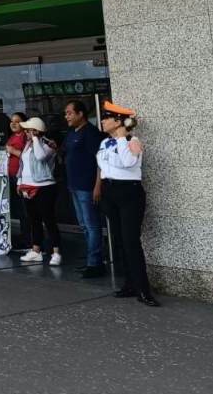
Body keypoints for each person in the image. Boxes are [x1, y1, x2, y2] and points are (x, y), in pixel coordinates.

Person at [97, 101, 157, 307]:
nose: (103, 121)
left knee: (131, 241)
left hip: (129, 192)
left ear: (119, 121)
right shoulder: (105, 143)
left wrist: (122, 137)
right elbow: (103, 167)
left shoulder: (133, 141)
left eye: (107, 118)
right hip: (110, 191)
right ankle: (129, 283)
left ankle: (143, 289)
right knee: (119, 240)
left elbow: (128, 162)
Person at [63, 101, 106, 278]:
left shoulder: (91, 133)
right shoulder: (72, 133)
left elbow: (100, 161)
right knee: (84, 225)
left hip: (87, 186)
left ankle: (95, 263)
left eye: (70, 113)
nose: (67, 117)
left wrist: (97, 185)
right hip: (74, 185)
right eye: (66, 113)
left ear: (81, 114)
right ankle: (91, 259)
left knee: (92, 225)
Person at [18, 117, 61, 266]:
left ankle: (56, 252)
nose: (26, 133)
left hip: (44, 187)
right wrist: (20, 182)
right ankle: (36, 250)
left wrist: (36, 138)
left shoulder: (47, 145)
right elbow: (22, 165)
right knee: (33, 220)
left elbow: (40, 156)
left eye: (28, 130)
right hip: (28, 186)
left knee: (48, 220)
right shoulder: (27, 145)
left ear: (36, 131)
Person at [4, 112, 28, 240]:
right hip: (11, 176)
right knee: (18, 209)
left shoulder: (25, 136)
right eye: (12, 121)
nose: (13, 123)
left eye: (17, 121)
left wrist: (12, 151)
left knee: (24, 209)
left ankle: (28, 239)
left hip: (22, 177)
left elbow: (28, 156)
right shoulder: (13, 136)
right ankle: (23, 235)